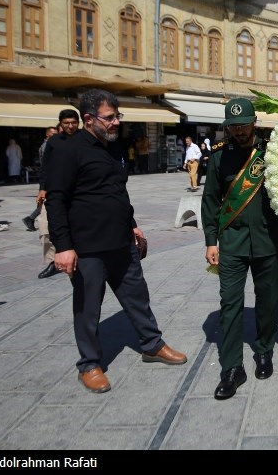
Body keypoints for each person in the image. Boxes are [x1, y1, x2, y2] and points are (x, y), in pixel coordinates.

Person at [45, 89, 187, 393]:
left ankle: (152, 344)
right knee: (88, 308)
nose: (116, 123)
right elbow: (55, 201)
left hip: (121, 243)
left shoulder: (113, 147)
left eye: (117, 116)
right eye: (110, 118)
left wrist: (133, 225)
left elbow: (117, 193)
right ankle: (90, 364)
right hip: (87, 248)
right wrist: (64, 247)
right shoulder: (68, 152)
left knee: (138, 296)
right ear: (88, 119)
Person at [201, 98, 278, 401]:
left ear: (254, 123)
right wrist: (211, 240)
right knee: (230, 304)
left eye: (243, 125)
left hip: (266, 241)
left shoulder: (272, 155)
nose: (238, 131)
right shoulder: (220, 160)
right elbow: (210, 200)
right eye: (233, 126)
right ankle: (233, 368)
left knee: (267, 301)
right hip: (232, 243)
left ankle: (264, 351)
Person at [34, 111, 80, 279]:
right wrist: (42, 188)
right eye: (67, 123)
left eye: (74, 122)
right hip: (54, 192)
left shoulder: (84, 140)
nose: (70, 126)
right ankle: (52, 261)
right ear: (61, 124)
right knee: (45, 227)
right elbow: (45, 167)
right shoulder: (54, 142)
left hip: (77, 191)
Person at [22, 126, 57, 232]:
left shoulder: (48, 144)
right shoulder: (47, 145)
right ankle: (30, 218)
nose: (55, 136)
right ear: (47, 134)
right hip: (49, 177)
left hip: (48, 176)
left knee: (46, 200)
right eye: (53, 134)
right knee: (48, 200)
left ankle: (30, 219)